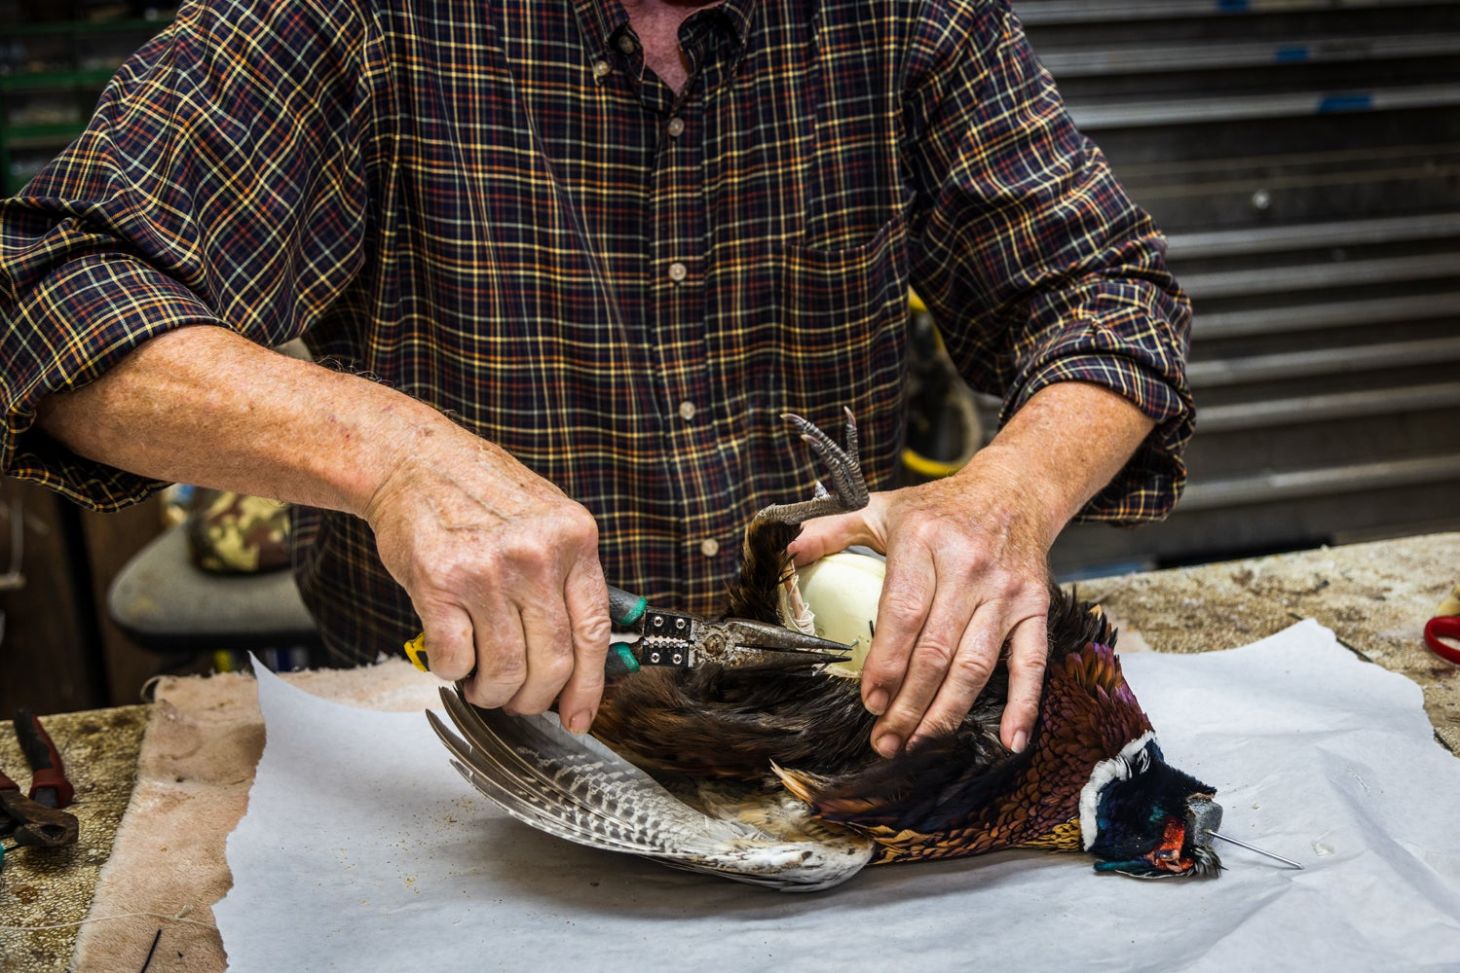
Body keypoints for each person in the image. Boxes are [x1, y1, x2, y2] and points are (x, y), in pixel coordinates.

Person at [0, 0, 1192, 761]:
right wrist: (395, 457)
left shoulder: (909, 20)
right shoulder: (355, 20)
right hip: (447, 732)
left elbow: (1108, 292)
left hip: (830, 721)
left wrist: (1008, 495)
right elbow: (46, 293)